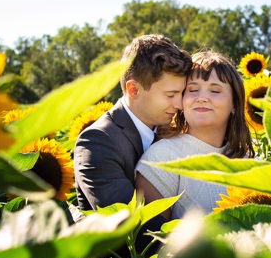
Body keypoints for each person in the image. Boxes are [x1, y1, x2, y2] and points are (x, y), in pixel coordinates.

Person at [74, 34, 192, 211]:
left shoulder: (172, 131)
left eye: (181, 94)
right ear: (134, 89)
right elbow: (132, 224)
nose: (179, 104)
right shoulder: (98, 142)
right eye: (170, 95)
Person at [135, 49, 253, 220]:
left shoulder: (251, 165)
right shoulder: (163, 159)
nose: (202, 98)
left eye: (215, 91)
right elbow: (152, 240)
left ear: (234, 104)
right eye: (192, 90)